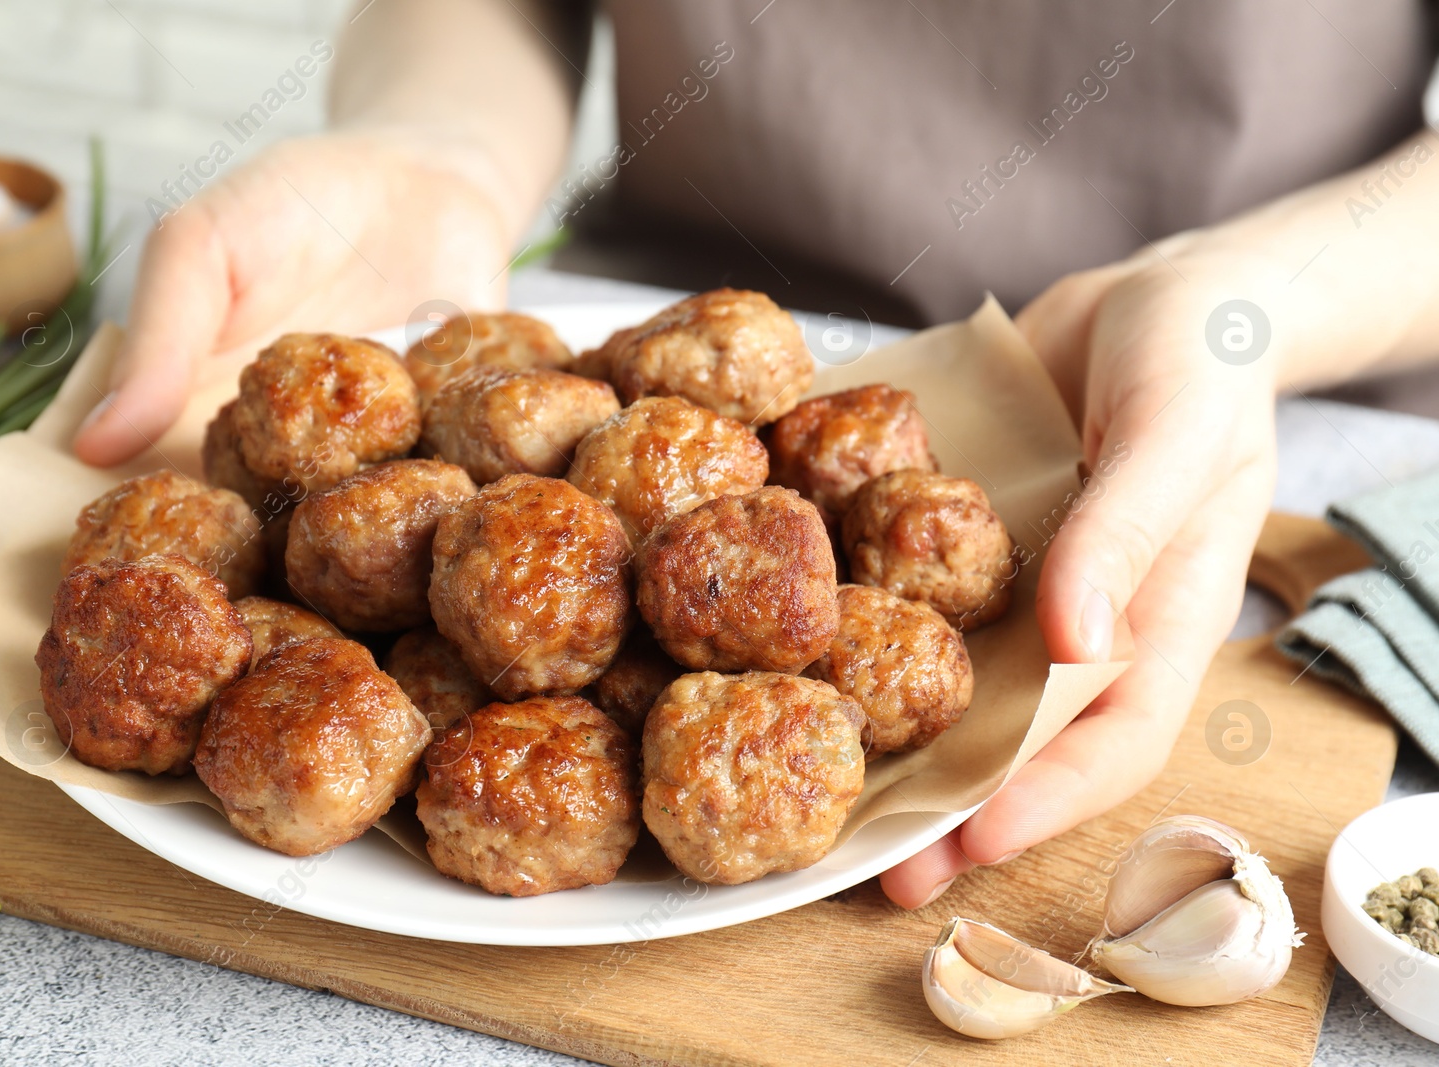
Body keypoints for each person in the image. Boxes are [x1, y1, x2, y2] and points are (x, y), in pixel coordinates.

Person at [71, 0, 1439, 908]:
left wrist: (1245, 303)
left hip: (1252, 353)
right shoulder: (519, 508)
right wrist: (432, 148)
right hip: (647, 289)